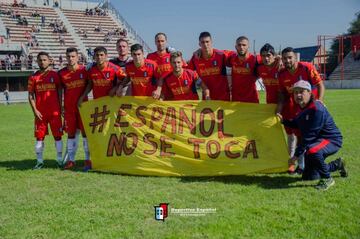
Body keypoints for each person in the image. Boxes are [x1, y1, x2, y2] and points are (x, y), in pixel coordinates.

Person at [280, 80, 347, 190]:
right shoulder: (302, 107)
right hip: (317, 141)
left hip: (331, 140)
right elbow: (296, 123)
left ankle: (327, 179)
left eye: (301, 92)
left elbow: (309, 137)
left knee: (313, 150)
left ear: (310, 93)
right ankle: (338, 164)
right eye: (296, 93)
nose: (298, 95)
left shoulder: (317, 108)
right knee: (309, 177)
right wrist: (282, 121)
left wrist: (295, 156)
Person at [276, 47, 325, 174]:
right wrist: (279, 110)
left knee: (310, 137)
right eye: (285, 58)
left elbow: (320, 84)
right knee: (298, 136)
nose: (287, 60)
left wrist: (319, 101)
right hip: (294, 108)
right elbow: (282, 94)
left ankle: (313, 165)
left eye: (289, 57)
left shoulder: (306, 67)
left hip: (310, 108)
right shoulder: (282, 74)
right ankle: (301, 166)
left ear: (295, 58)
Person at [28, 52, 63, 169]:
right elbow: (30, 95)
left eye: (44, 60)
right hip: (40, 114)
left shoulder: (55, 75)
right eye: (40, 60)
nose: (42, 62)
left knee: (58, 136)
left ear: (49, 61)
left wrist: (60, 105)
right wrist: (35, 111)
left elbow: (59, 91)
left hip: (55, 112)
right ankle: (39, 161)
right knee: (39, 137)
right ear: (37, 62)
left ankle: (59, 160)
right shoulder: (33, 77)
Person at [58, 48, 89, 170]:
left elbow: (90, 84)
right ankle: (71, 160)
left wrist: (82, 97)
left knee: (86, 135)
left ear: (77, 57)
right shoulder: (61, 73)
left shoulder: (84, 70)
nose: (70, 59)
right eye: (68, 57)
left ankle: (88, 159)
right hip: (69, 109)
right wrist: (61, 105)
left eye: (73, 56)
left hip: (83, 108)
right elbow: (60, 90)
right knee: (70, 135)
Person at [188, 32, 230, 101]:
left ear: (211, 42)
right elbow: (186, 72)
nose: (205, 44)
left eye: (207, 42)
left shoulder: (221, 55)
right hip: (207, 98)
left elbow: (238, 55)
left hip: (223, 98)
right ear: (199, 44)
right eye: (203, 42)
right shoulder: (195, 58)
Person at [226, 36, 259, 103]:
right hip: (236, 99)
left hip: (252, 99)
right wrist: (200, 50)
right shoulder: (231, 58)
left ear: (248, 46)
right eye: (239, 45)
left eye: (244, 45)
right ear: (235, 46)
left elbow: (270, 59)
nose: (241, 47)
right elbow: (216, 52)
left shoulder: (255, 59)